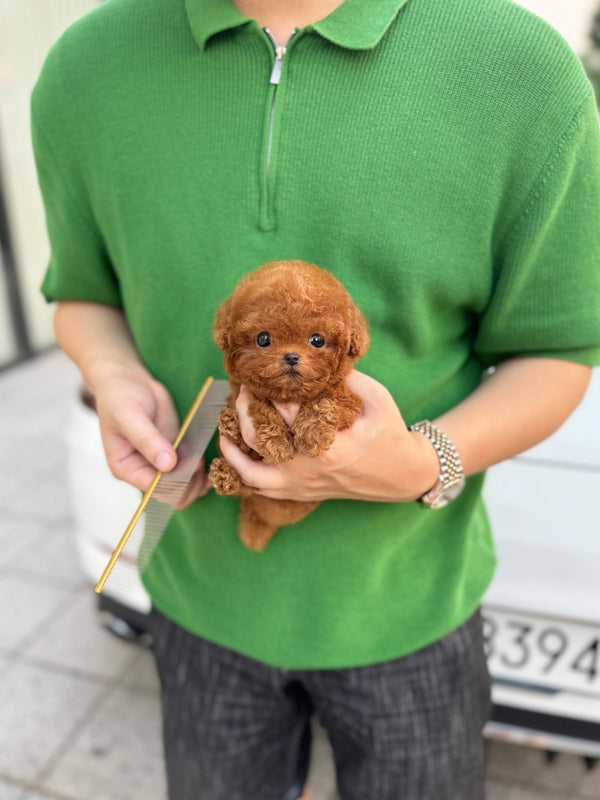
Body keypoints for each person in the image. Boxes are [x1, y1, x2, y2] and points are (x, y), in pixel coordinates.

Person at [32, 0, 600, 797]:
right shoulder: (85, 67)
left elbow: (558, 348)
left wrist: (421, 463)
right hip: (197, 595)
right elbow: (82, 293)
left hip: (413, 609)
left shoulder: (521, 69)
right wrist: (114, 375)